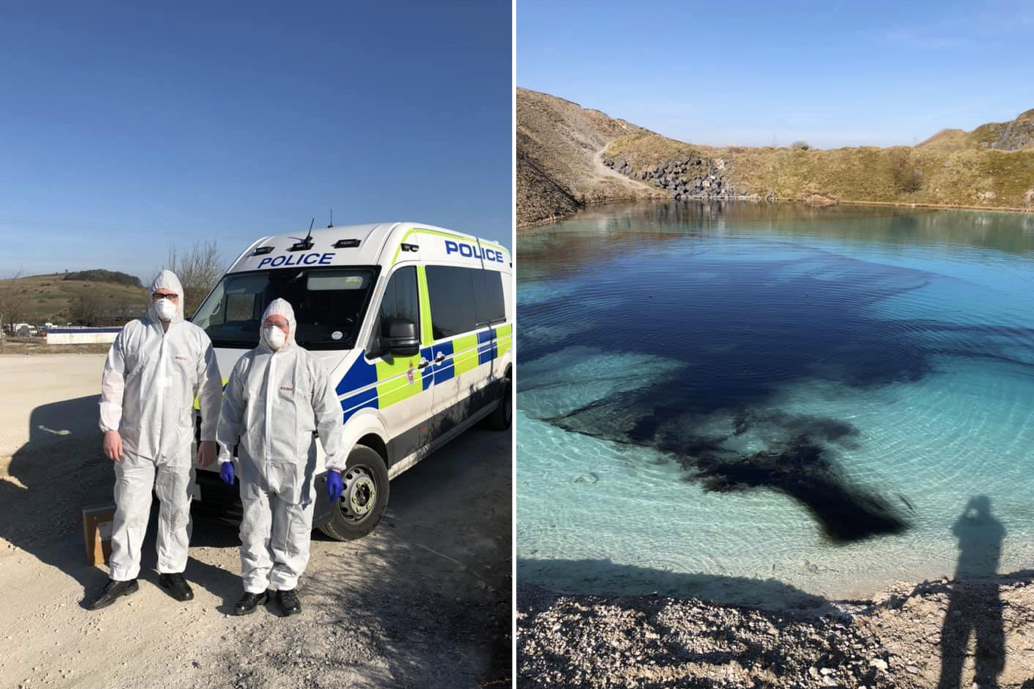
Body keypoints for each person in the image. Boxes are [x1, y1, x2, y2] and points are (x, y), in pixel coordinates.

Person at [89, 270, 222, 610]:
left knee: (178, 508)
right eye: (159, 296)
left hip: (179, 441)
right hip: (134, 440)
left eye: (172, 296)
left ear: (182, 299)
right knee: (130, 508)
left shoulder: (195, 338)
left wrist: (208, 438)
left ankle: (171, 569)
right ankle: (123, 574)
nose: (165, 302)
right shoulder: (132, 333)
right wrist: (110, 428)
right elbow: (112, 382)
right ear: (150, 298)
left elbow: (210, 393)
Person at [216, 298, 346, 617]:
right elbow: (230, 411)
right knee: (253, 526)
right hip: (253, 461)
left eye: (280, 324)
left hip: (296, 463)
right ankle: (255, 587)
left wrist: (335, 464)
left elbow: (330, 416)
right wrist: (224, 453)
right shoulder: (247, 364)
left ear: (291, 328)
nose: (274, 329)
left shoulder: (308, 365)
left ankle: (286, 585)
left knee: (294, 526)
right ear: (261, 327)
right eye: (268, 324)